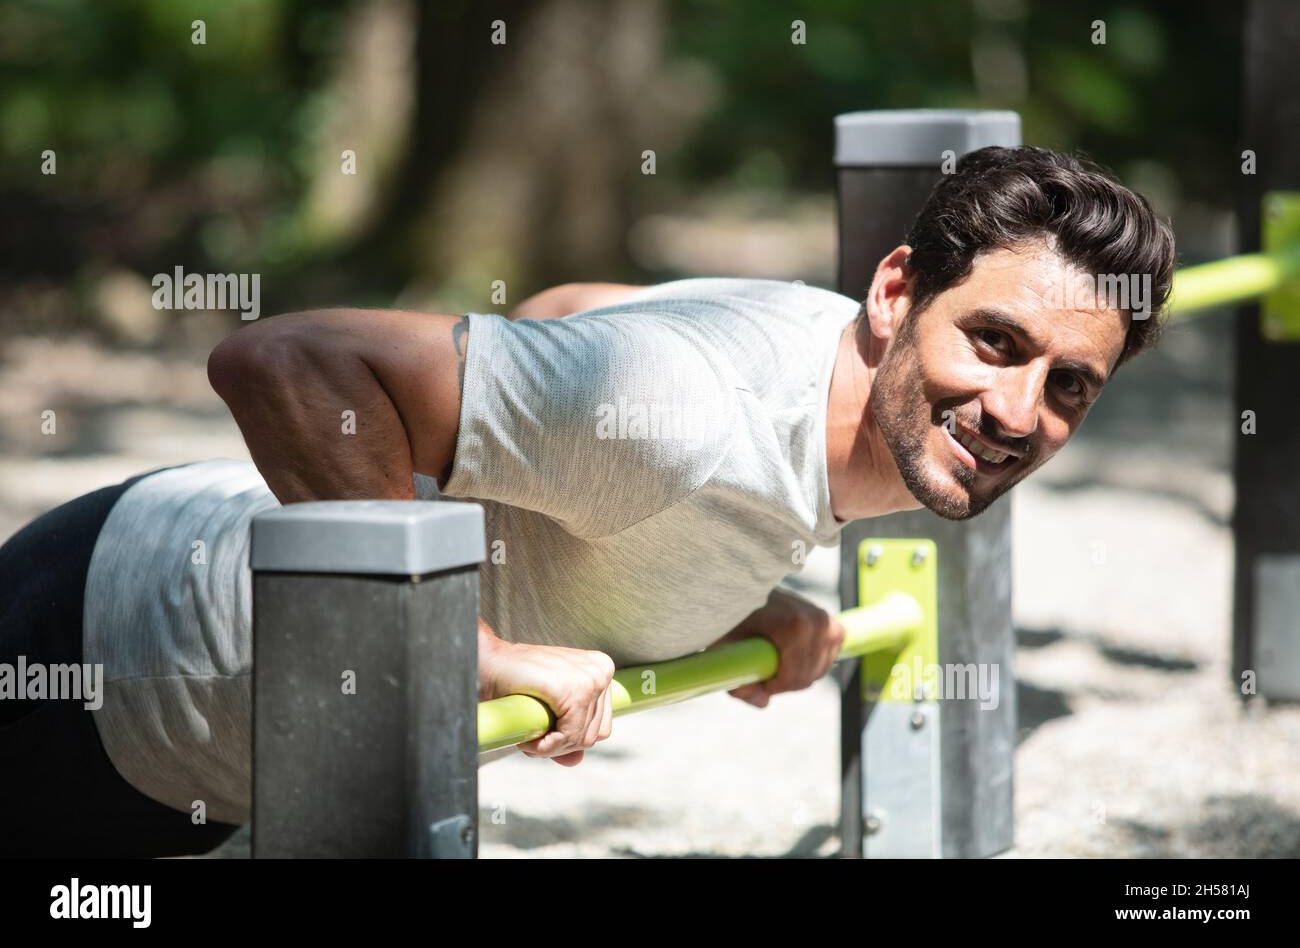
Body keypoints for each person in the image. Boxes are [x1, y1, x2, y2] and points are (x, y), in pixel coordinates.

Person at [0, 146, 1175, 856]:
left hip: (203, 744)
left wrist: (738, 599)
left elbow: (566, 313)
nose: (1020, 410)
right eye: (994, 340)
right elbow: (288, 361)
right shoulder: (685, 408)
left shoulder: (798, 373)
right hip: (102, 661)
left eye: (1066, 383)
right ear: (894, 289)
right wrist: (469, 643)